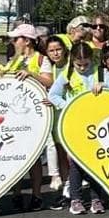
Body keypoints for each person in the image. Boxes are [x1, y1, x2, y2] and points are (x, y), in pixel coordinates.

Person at [48, 42, 109, 214]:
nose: (82, 68)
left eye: (86, 64)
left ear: (92, 60)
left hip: (97, 124)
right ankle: (76, 199)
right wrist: (67, 106)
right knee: (76, 162)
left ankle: (96, 199)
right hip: (76, 124)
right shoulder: (67, 74)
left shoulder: (100, 72)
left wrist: (104, 85)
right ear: (72, 61)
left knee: (96, 160)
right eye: (78, 65)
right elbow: (53, 95)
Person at [3, 23, 54, 211]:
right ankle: (16, 194)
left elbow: (49, 81)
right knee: (15, 155)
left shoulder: (41, 59)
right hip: (14, 114)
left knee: (34, 157)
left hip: (34, 114)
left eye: (16, 39)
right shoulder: (13, 60)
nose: (14, 42)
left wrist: (31, 74)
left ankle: (37, 195)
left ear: (27, 41)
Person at [42, 35, 71, 197]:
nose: (55, 53)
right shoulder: (52, 69)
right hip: (56, 114)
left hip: (70, 112)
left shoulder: (71, 66)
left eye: (58, 49)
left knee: (70, 152)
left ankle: (75, 183)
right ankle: (66, 184)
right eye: (51, 51)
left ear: (64, 50)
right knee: (60, 150)